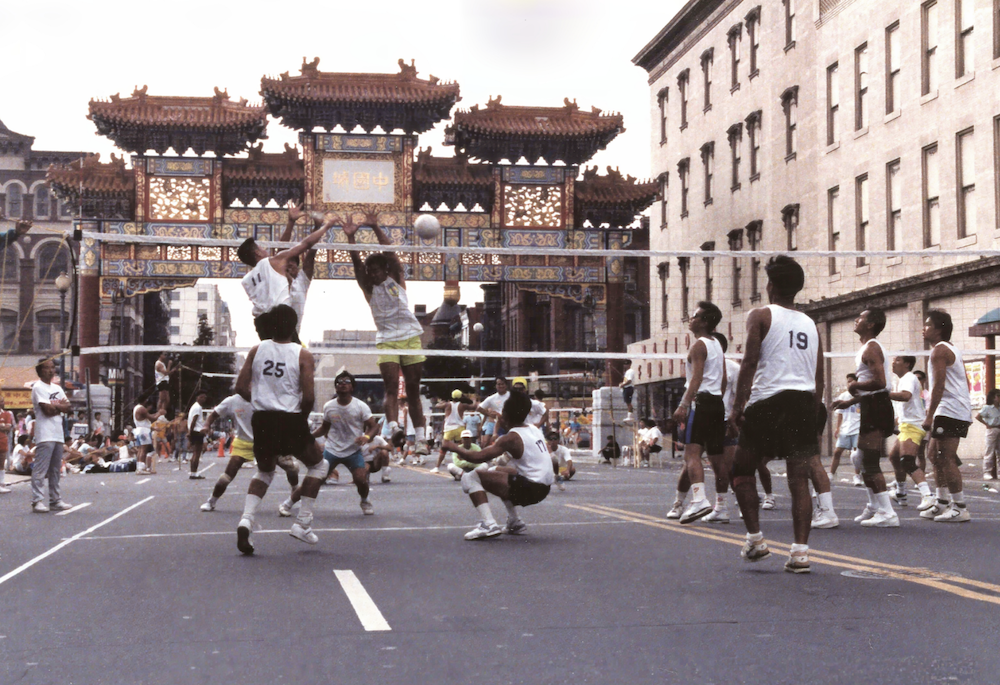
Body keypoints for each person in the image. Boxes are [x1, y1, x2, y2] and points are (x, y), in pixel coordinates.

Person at [729, 256, 824, 574]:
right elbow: (818, 375)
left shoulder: (761, 315)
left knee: (742, 471)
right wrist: (815, 412)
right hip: (803, 403)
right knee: (799, 479)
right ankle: (800, 553)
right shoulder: (810, 323)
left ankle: (755, 540)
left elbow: (749, 363)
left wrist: (737, 406)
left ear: (770, 285)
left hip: (768, 402)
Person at [234, 304, 326, 554]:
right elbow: (308, 397)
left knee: (265, 472)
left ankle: (246, 520)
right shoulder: (302, 355)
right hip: (290, 419)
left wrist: (262, 402)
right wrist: (300, 420)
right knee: (318, 465)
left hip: (263, 420)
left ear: (271, 326)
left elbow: (240, 387)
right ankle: (303, 523)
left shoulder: (256, 350)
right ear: (294, 327)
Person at [344, 212, 428, 454]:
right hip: (386, 339)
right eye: (370, 269)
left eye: (376, 268)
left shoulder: (398, 279)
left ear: (386, 270)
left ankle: (421, 439)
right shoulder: (368, 287)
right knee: (391, 386)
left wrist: (375, 227)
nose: (372, 272)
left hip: (410, 335)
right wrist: (351, 239)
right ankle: (393, 428)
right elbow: (356, 263)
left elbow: (391, 254)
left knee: (413, 388)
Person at [443, 390, 554, 540]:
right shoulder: (533, 429)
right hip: (544, 487)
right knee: (495, 470)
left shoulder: (511, 438)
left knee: (470, 478)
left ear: (507, 415)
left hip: (531, 489)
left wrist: (452, 446)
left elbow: (477, 457)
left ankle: (488, 524)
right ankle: (515, 522)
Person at [279, 370, 379, 519]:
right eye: (339, 382)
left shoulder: (361, 406)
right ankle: (287, 504)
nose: (342, 385)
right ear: (336, 387)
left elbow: (374, 426)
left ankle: (365, 500)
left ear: (352, 387)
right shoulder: (329, 406)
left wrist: (366, 436)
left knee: (360, 479)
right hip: (332, 450)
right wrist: (308, 437)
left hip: (353, 451)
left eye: (346, 382)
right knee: (313, 479)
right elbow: (324, 428)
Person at [832, 308, 897, 527]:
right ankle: (875, 506)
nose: (855, 319)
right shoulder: (865, 348)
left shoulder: (871, 348)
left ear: (870, 324)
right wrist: (849, 401)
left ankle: (888, 513)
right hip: (871, 404)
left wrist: (854, 385)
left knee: (869, 461)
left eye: (860, 317)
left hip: (878, 406)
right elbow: (873, 386)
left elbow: (879, 383)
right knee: (858, 459)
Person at [666, 303, 728, 524]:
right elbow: (723, 380)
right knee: (717, 457)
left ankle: (700, 499)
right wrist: (716, 401)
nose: (690, 319)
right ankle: (721, 505)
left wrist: (683, 405)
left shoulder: (699, 346)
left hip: (701, 401)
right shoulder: (718, 345)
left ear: (704, 321)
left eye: (694, 316)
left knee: (691, 455)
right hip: (716, 403)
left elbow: (696, 378)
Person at [237, 208, 333, 341]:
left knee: (272, 355)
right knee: (293, 356)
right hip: (280, 319)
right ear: (257, 253)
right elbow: (305, 244)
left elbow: (286, 253)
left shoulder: (247, 280)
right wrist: (326, 226)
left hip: (262, 324)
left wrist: (291, 222)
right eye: (261, 248)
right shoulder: (272, 263)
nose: (264, 249)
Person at [199, 392, 299, 512]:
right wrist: (206, 425)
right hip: (243, 443)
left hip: (267, 441)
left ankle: (295, 493)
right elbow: (213, 415)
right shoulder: (232, 401)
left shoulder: (265, 397)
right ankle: (212, 501)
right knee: (227, 476)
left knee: (292, 469)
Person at [920, 310, 974, 523]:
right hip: (950, 409)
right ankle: (941, 502)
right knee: (933, 454)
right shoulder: (949, 350)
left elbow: (939, 386)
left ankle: (960, 507)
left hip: (949, 411)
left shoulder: (940, 351)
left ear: (939, 329)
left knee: (946, 457)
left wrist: (929, 415)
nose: (923, 328)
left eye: (927, 325)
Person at [885, 355, 935, 510]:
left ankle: (928, 495)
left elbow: (905, 397)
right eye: (893, 361)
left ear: (907, 364)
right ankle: (900, 493)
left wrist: (882, 395)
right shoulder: (900, 380)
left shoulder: (908, 377)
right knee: (894, 457)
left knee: (907, 461)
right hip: (906, 425)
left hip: (913, 425)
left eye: (897, 361)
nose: (893, 363)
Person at [30, 358, 74, 513]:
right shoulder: (38, 387)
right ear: (40, 370)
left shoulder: (58, 388)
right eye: (47, 368)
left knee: (56, 469)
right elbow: (46, 411)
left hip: (57, 433)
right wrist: (60, 407)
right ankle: (37, 500)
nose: (51, 370)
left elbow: (68, 407)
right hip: (45, 433)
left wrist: (57, 407)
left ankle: (55, 500)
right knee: (41, 469)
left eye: (52, 367)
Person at [283, 203, 320, 334]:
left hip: (293, 339)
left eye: (292, 262)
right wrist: (291, 222)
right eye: (286, 262)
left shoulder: (302, 282)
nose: (289, 265)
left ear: (298, 267)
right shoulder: (278, 277)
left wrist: (318, 226)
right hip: (272, 338)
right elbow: (281, 250)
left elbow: (311, 254)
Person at [830, 373, 863, 486]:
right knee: (837, 452)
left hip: (857, 429)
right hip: (845, 429)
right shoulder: (843, 396)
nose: (850, 383)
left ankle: (857, 476)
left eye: (852, 381)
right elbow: (840, 413)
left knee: (855, 454)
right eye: (848, 381)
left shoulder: (861, 396)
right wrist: (838, 428)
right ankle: (831, 474)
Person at [432, 390, 473, 473]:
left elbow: (437, 405)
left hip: (449, 429)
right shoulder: (462, 405)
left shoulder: (447, 404)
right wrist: (465, 398)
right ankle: (466, 464)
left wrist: (441, 402)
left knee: (443, 448)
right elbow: (472, 404)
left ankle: (437, 467)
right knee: (461, 448)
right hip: (459, 428)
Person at [477, 377, 510, 447]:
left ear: (506, 385)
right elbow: (479, 408)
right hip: (494, 423)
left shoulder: (511, 396)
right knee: (485, 443)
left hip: (508, 422)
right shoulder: (492, 398)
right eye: (499, 384)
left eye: (502, 384)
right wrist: (489, 414)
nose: (501, 386)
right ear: (496, 386)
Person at [132, 400, 163, 474]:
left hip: (139, 430)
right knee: (143, 450)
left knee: (140, 450)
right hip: (143, 431)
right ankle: (141, 468)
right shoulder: (142, 409)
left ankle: (139, 467)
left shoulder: (137, 408)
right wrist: (160, 413)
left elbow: (150, 416)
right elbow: (152, 418)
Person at [976, 389, 1000, 480]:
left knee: (999, 452)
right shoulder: (987, 408)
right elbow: (978, 416)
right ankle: (987, 472)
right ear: (994, 398)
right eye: (998, 396)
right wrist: (987, 424)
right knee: (989, 451)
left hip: (999, 428)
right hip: (992, 429)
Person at [186, 392, 210, 479]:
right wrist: (190, 431)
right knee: (197, 453)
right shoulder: (197, 407)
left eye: (204, 397)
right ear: (197, 397)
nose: (203, 399)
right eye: (201, 397)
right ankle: (194, 472)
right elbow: (194, 420)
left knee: (195, 453)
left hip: (194, 431)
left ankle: (193, 472)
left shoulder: (195, 406)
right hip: (197, 431)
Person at [0, 395, 14, 492]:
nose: (2, 403)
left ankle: (1, 483)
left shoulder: (6, 414)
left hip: (2, 440)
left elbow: (8, 428)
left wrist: (3, 427)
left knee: (1, 463)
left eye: (2, 401)